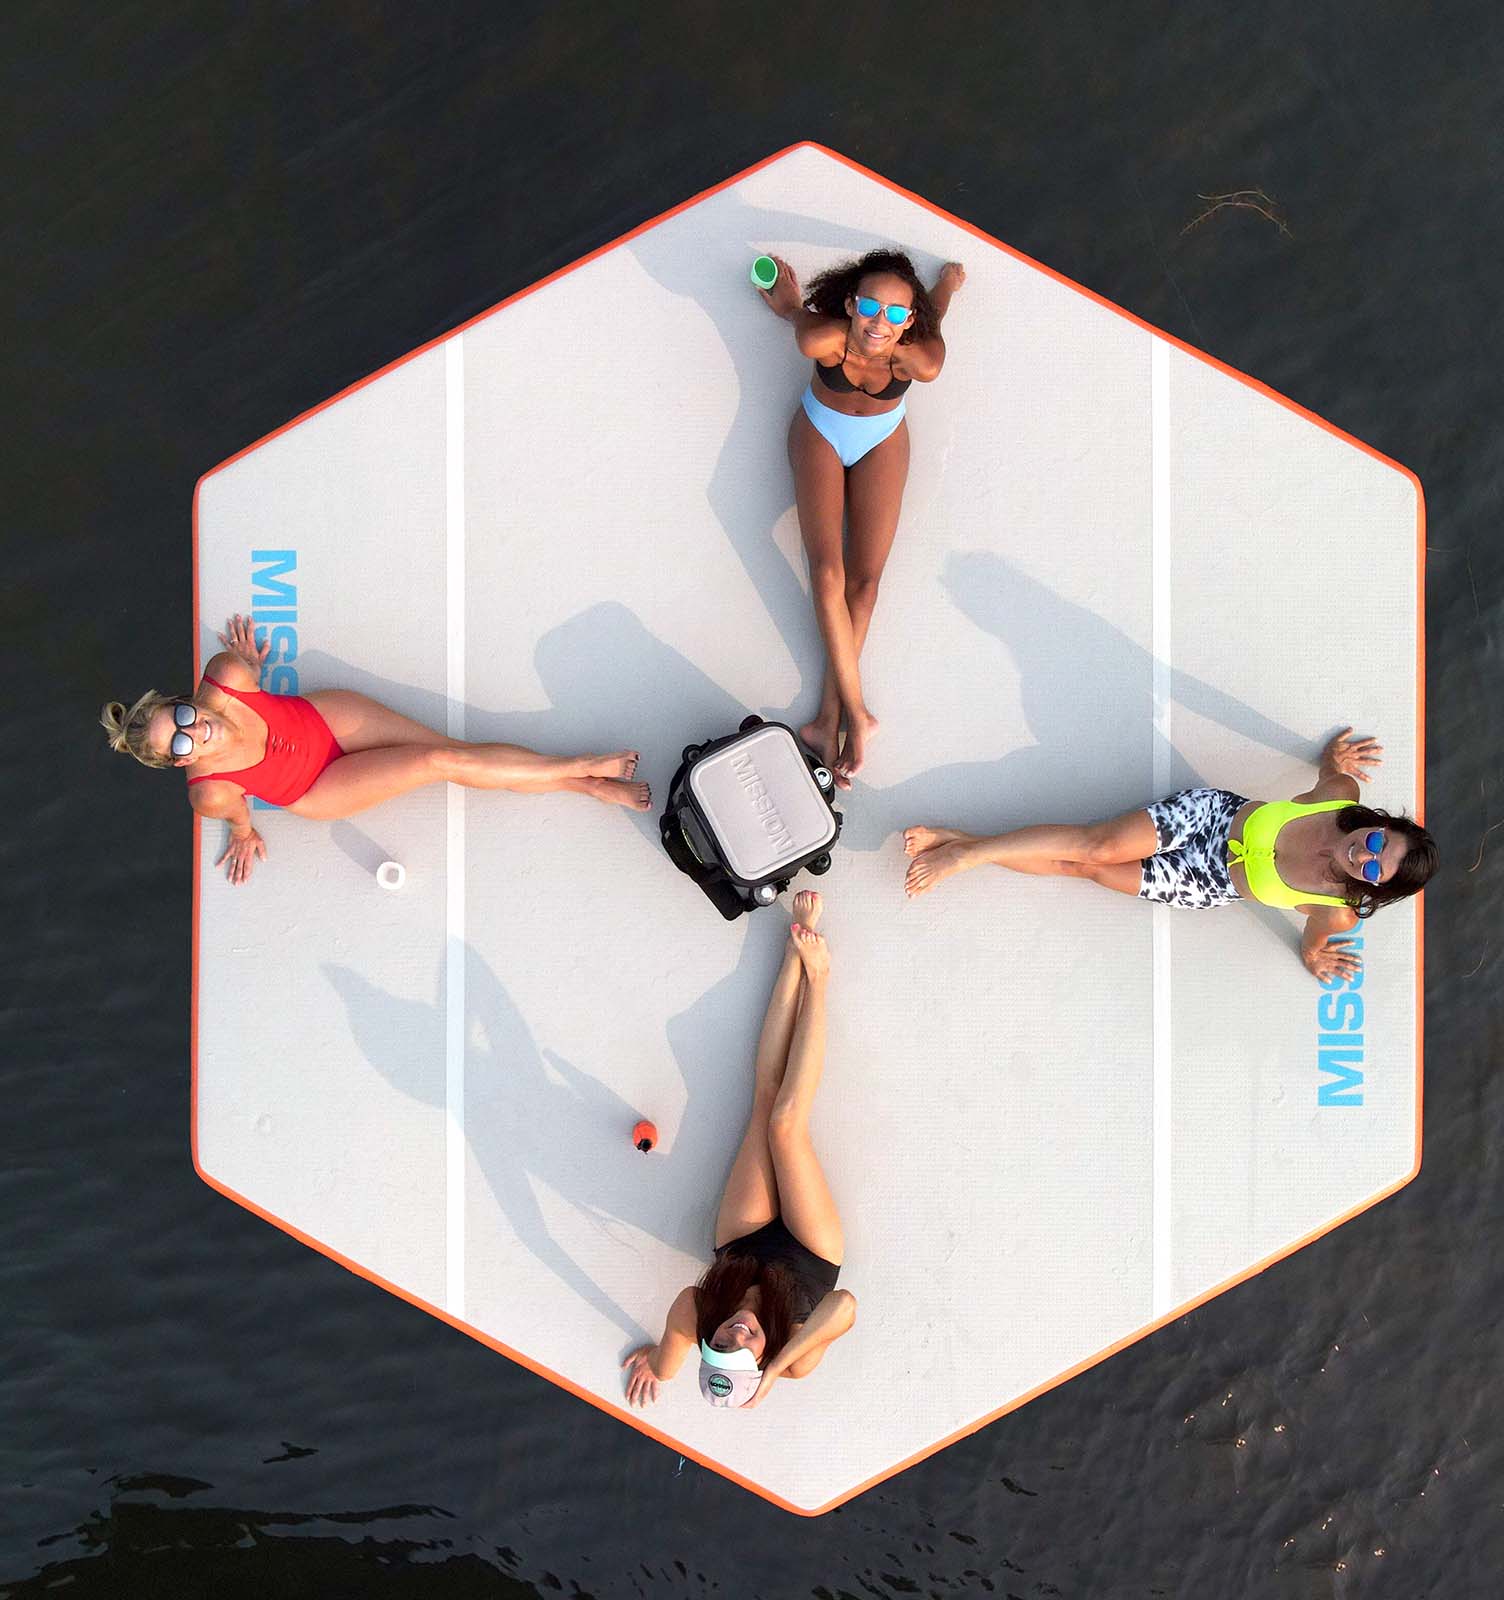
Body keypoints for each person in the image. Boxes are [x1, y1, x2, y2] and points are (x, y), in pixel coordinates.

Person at [100, 613, 650, 884]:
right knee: (441, 762)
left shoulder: (224, 675)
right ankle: (582, 766)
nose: (195, 732)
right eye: (180, 743)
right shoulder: (209, 793)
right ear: (181, 762)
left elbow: (248, 668)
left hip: (324, 720)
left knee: (459, 750)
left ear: (187, 699)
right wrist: (243, 835)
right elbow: (240, 817)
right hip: (317, 788)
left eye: (185, 717)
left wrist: (253, 664)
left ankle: (587, 787)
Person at [903, 729, 1437, 982]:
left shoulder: (1334, 906)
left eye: (1373, 867)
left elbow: (1315, 940)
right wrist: (1335, 755)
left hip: (1204, 882)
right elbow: (1330, 766)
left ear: (1371, 887)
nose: (1362, 853)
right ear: (1380, 824)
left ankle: (963, 839)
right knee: (1097, 844)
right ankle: (963, 858)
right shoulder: (1339, 798)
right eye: (1376, 841)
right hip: (1210, 817)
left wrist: (1314, 956)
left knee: (1083, 868)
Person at [623, 892, 855, 1410]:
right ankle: (819, 979)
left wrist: (656, 1367)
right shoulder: (794, 1358)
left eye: (720, 1344)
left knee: (763, 1106)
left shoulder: (696, 1311)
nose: (736, 1334)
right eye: (745, 1349)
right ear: (761, 1362)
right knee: (787, 1126)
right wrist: (778, 1364)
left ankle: (794, 954)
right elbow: (843, 1306)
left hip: (743, 1244)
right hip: (808, 1255)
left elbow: (666, 1357)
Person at [758, 247, 966, 787]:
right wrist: (787, 306)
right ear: (851, 304)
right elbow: (802, 320)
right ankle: (856, 714)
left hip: (881, 439)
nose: (881, 322)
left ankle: (827, 722)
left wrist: (942, 292)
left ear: (909, 320)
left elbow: (933, 324)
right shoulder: (822, 340)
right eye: (871, 307)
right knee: (828, 573)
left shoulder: (920, 361)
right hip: (820, 433)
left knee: (867, 586)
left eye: (897, 314)